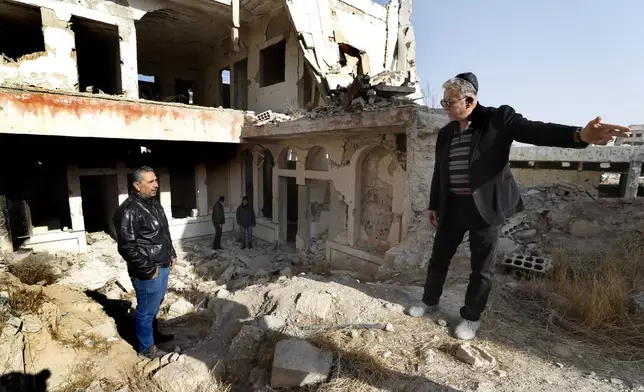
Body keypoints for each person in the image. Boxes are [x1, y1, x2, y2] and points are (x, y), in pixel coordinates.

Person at [407, 72, 631, 340]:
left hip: (485, 209)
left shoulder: (498, 119)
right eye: (444, 102)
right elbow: (440, 171)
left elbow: (537, 130)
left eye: (449, 102)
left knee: (481, 268)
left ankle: (471, 318)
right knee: (439, 258)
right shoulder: (446, 133)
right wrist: (434, 204)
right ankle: (430, 302)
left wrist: (579, 135)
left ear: (469, 100)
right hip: (452, 207)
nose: (445, 107)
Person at [113, 166, 176, 359]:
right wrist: (149, 269)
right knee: (146, 309)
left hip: (162, 264)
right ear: (136, 185)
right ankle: (146, 347)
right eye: (150, 181)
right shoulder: (129, 210)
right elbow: (126, 246)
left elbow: (163, 232)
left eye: (156, 180)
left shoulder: (154, 204)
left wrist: (171, 254)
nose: (156, 185)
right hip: (149, 270)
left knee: (155, 305)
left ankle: (153, 335)